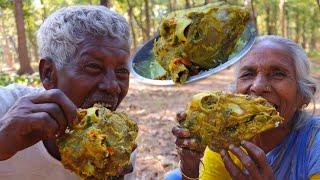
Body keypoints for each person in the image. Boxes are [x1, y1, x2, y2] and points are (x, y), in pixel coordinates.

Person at [0, 5, 135, 179]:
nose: (112, 86)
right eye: (93, 67)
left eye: (122, 71)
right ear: (48, 73)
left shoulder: (119, 147)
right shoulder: (6, 106)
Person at [168, 35, 320, 180]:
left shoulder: (314, 142)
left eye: (278, 74)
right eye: (248, 74)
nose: (258, 86)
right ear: (235, 92)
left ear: (304, 96)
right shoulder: (226, 139)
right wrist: (190, 170)